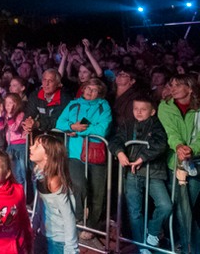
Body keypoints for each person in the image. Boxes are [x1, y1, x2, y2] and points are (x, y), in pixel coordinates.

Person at [108, 96, 171, 253]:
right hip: (132, 172)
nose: (139, 112)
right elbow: (115, 140)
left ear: (152, 112)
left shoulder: (157, 125)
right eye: (136, 108)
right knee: (134, 211)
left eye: (143, 109)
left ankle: (152, 232)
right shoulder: (127, 124)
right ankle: (142, 246)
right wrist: (119, 152)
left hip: (153, 172)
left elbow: (160, 144)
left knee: (165, 205)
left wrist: (142, 158)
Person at [55, 77, 112, 240]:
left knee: (97, 192)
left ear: (100, 93)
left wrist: (79, 130)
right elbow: (60, 123)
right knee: (78, 184)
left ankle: (92, 225)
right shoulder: (73, 103)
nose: (89, 91)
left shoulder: (104, 106)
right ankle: (78, 217)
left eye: (94, 90)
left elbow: (102, 129)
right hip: (74, 153)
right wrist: (71, 126)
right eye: (87, 88)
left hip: (95, 153)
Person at [157, 74, 200, 254]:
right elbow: (170, 131)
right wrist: (179, 146)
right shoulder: (165, 106)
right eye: (171, 85)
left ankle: (190, 247)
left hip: (195, 164)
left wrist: (192, 150)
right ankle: (183, 245)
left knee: (188, 210)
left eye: (178, 85)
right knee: (178, 209)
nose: (173, 89)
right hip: (173, 163)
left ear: (189, 88)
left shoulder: (198, 109)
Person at [29, 134, 79, 254]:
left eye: (37, 146)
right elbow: (42, 203)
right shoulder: (38, 173)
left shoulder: (54, 182)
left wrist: (71, 248)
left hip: (58, 240)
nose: (30, 147)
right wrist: (35, 224)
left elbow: (68, 216)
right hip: (44, 233)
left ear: (47, 156)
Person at [22, 68, 73, 139]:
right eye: (44, 80)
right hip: (39, 138)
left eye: (50, 81)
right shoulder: (35, 95)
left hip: (58, 139)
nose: (46, 84)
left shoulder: (65, 98)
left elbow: (56, 120)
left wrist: (38, 123)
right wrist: (27, 123)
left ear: (58, 84)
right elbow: (29, 113)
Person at [0, 93, 28, 188]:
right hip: (11, 145)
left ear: (17, 103)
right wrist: (0, 114)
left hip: (21, 146)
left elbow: (14, 128)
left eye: (10, 103)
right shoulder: (5, 115)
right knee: (15, 172)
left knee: (22, 172)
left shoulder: (21, 115)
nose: (7, 105)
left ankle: (24, 193)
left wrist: (10, 116)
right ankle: (18, 192)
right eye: (6, 103)